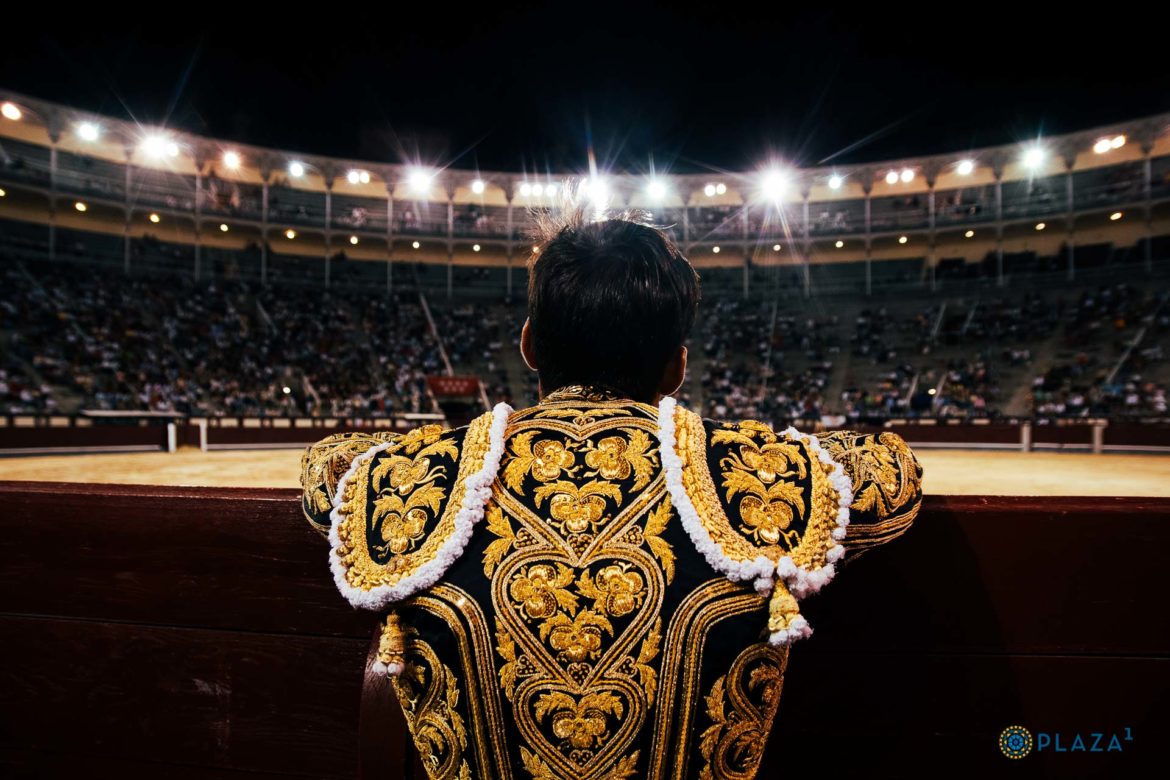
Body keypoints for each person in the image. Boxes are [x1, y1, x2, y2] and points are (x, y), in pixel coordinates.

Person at [300, 202, 923, 779]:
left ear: (529, 346)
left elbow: (330, 467)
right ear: (677, 367)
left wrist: (447, 444)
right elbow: (891, 471)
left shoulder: (414, 482)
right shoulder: (758, 475)